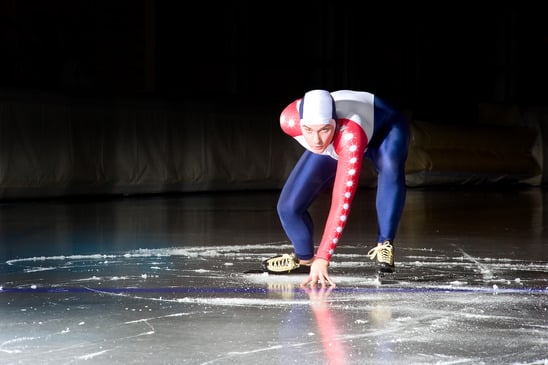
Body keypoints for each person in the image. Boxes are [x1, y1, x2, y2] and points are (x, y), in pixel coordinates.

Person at [262, 89, 410, 287]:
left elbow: (341, 200)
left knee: (390, 166)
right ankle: (305, 260)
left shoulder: (349, 133)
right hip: (339, 139)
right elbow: (318, 138)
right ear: (300, 124)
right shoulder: (288, 121)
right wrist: (315, 260)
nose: (316, 140)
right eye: (308, 130)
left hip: (385, 129)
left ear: (334, 123)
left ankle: (385, 243)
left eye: (324, 129)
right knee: (288, 208)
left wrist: (324, 257)